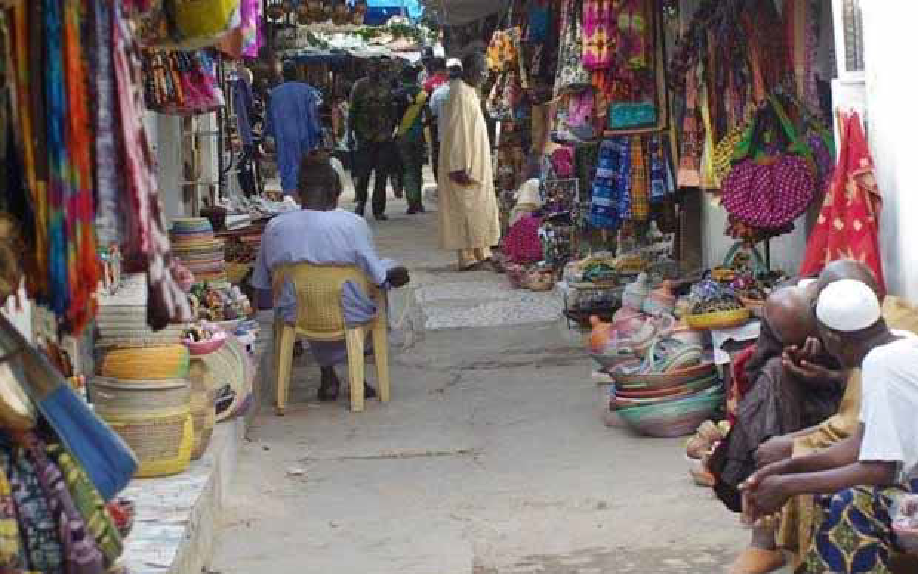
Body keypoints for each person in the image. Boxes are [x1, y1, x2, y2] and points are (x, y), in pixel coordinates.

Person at [737, 259, 918, 572]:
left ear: (834, 339)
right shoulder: (903, 342)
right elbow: (858, 445)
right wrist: (784, 469)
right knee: (834, 497)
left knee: (851, 506)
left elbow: (879, 471)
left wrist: (787, 486)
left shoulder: (881, 363)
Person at [250, 152, 411, 402]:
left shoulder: (275, 227)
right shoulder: (352, 224)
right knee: (374, 289)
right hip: (349, 313)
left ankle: (328, 374)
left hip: (294, 313)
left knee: (312, 291)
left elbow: (261, 282)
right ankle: (358, 367)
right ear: (336, 192)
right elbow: (376, 277)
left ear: (298, 193)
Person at [437, 52, 500, 271]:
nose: (485, 75)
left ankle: (482, 251)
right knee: (466, 208)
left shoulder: (469, 92)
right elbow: (455, 132)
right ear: (470, 70)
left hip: (476, 159)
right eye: (482, 70)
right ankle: (467, 256)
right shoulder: (459, 94)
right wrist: (458, 166)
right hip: (464, 163)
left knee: (479, 207)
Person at [349, 58, 397, 220]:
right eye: (372, 68)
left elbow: (392, 111)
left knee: (381, 175)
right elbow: (352, 111)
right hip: (365, 136)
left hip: (383, 137)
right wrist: (350, 134)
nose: (375, 71)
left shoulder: (386, 86)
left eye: (377, 68)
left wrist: (391, 131)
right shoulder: (359, 86)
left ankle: (379, 209)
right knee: (363, 174)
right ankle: (361, 202)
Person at [265, 63, 321, 196]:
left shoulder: (275, 94)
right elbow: (312, 117)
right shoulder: (308, 91)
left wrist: (269, 135)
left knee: (287, 168)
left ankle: (291, 197)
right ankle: (304, 195)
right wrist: (316, 136)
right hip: (305, 137)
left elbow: (270, 119)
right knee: (305, 168)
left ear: (283, 75)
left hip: (283, 137)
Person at [394, 65, 429, 215]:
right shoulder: (423, 94)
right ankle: (419, 203)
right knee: (418, 168)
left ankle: (412, 203)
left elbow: (392, 116)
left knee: (408, 169)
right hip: (419, 135)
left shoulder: (397, 94)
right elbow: (429, 116)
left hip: (403, 135)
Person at [427, 59, 462, 185]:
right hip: (463, 137)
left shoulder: (438, 92)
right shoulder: (470, 93)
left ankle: (444, 186)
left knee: (445, 164)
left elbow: (432, 113)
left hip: (444, 135)